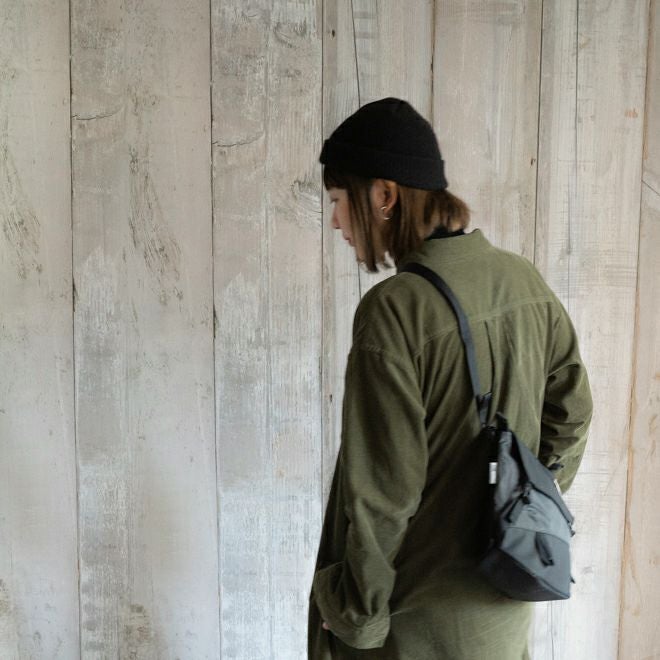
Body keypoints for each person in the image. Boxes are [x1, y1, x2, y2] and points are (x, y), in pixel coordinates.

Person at [307, 97, 593, 659]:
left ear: (385, 195)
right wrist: (516, 504)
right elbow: (573, 412)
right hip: (503, 602)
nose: (336, 220)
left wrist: (357, 616)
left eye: (339, 199)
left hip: (415, 622)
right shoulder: (523, 281)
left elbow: (383, 493)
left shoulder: (395, 311)